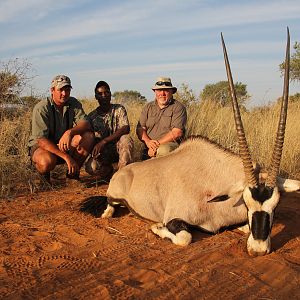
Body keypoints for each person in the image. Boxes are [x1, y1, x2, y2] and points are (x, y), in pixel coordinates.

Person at [28, 75, 94, 183]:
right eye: (60, 90)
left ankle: (72, 176)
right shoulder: (42, 108)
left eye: (67, 90)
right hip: (44, 146)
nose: (64, 93)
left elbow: (86, 124)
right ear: (52, 90)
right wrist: (67, 158)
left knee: (88, 136)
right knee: (46, 162)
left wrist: (69, 132)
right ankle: (42, 177)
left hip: (64, 143)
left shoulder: (73, 103)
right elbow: (41, 140)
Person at [85, 80, 133, 179]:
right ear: (96, 97)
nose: (104, 95)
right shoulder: (91, 116)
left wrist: (104, 141)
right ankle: (108, 172)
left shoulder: (119, 109)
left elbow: (125, 128)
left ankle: (121, 176)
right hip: (103, 152)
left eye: (106, 92)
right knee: (91, 168)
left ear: (110, 94)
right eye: (100, 93)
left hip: (119, 147)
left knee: (126, 139)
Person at [136, 77, 187, 160]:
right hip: (149, 146)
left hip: (170, 146)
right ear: (155, 92)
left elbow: (177, 132)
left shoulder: (178, 107)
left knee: (163, 150)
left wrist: (156, 145)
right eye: (159, 90)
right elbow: (140, 129)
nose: (162, 93)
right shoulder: (148, 107)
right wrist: (148, 142)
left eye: (166, 90)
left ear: (171, 92)